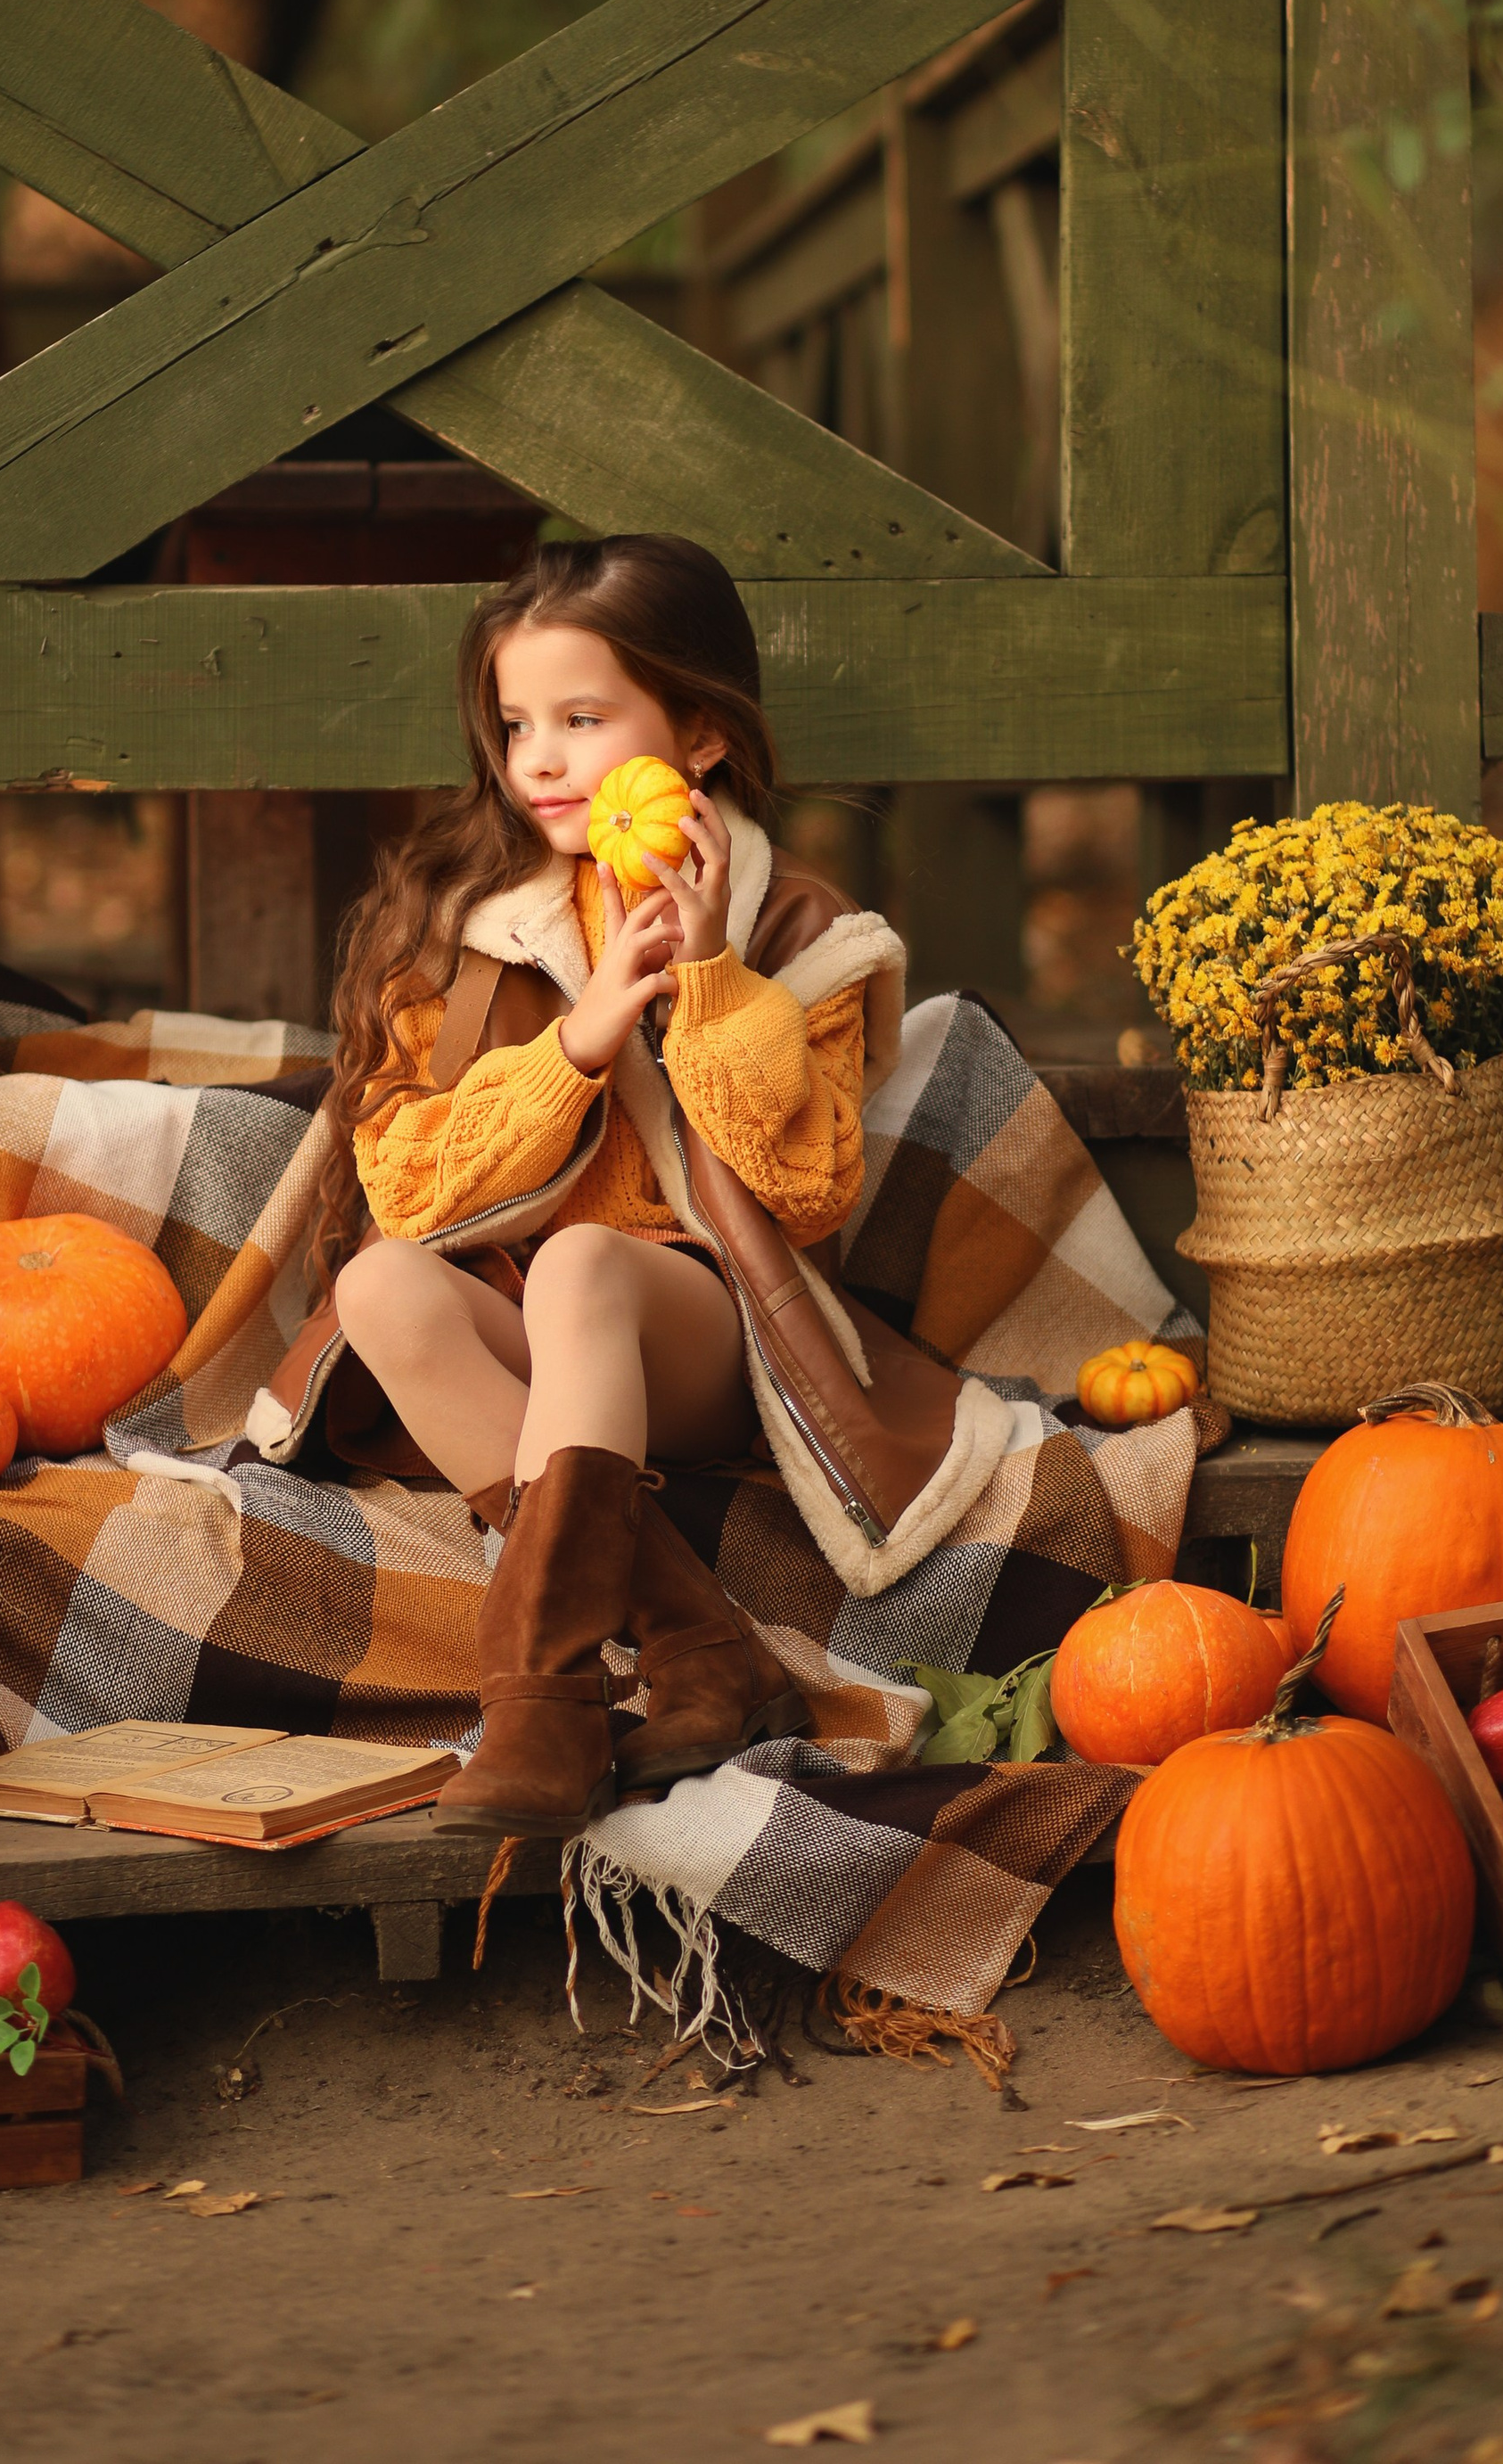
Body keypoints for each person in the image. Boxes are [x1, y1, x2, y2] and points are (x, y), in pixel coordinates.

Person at [248, 534, 1003, 1843]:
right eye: (513, 722)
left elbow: (804, 1187)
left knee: (591, 1265)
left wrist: (709, 980)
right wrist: (580, 1038)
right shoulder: (460, 923)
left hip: (710, 1333)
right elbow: (409, 1185)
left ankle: (538, 1703)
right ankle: (703, 1654)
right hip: (524, 1319)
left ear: (699, 736)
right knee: (379, 1282)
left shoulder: (796, 932)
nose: (536, 758)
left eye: (581, 719)